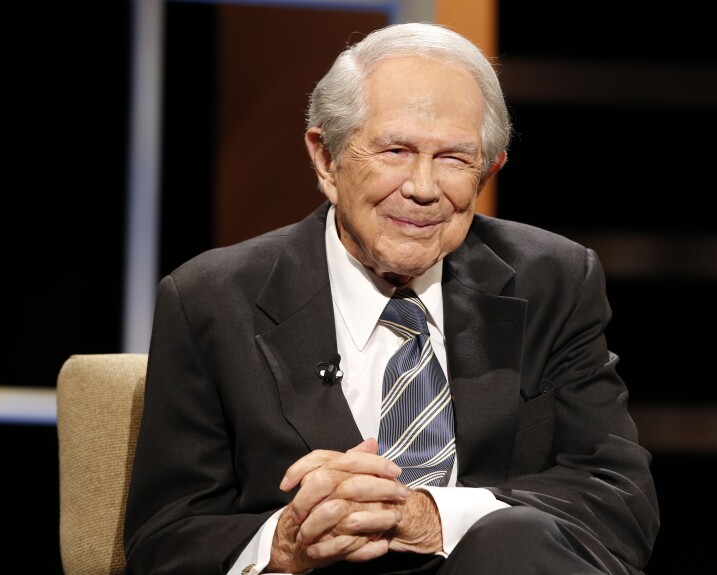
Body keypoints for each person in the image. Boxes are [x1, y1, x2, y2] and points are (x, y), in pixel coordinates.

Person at [123, 21, 659, 575]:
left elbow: (619, 501)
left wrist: (426, 514)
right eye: (396, 150)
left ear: (488, 171)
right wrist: (286, 541)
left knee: (515, 541)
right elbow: (164, 542)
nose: (423, 187)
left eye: (453, 158)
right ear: (326, 159)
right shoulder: (212, 300)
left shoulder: (553, 280)